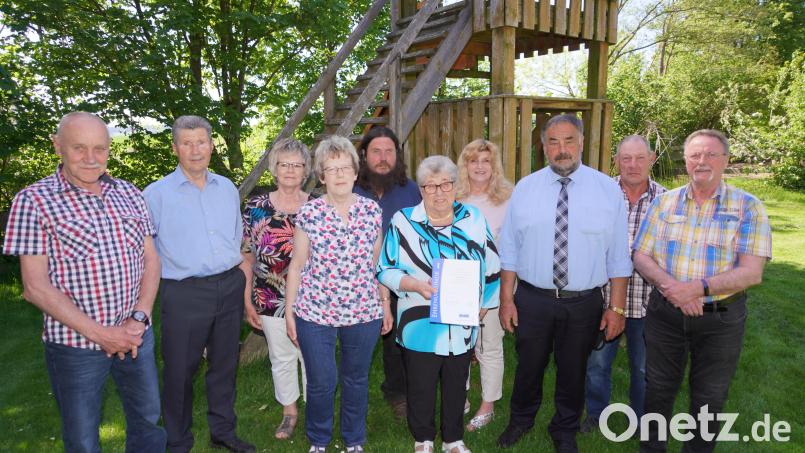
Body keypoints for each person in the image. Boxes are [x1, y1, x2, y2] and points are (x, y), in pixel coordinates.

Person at [3, 111, 167, 453]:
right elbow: (34, 287)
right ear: (58, 146)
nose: (91, 159)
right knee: (82, 438)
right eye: (79, 148)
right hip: (75, 346)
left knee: (148, 420)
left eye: (100, 148)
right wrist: (103, 334)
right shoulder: (33, 202)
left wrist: (139, 319)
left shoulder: (129, 193)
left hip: (137, 335)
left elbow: (151, 260)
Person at [496, 114, 633, 453]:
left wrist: (616, 308)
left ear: (582, 142)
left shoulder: (607, 191)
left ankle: (565, 429)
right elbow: (510, 248)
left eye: (569, 140)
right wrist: (506, 300)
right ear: (543, 147)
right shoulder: (525, 189)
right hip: (533, 298)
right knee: (529, 365)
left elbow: (618, 254)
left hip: (583, 302)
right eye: (553, 142)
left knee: (573, 369)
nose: (561, 149)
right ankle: (521, 420)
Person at [632, 129, 772, 453]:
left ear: (726, 160)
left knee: (709, 395)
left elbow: (752, 272)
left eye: (710, 154)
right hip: (666, 312)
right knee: (658, 389)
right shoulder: (663, 203)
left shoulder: (748, 208)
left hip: (720, 317)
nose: (702, 161)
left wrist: (696, 290)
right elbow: (641, 254)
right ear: (685, 160)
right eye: (695, 155)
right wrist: (674, 291)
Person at [144, 115, 255, 453]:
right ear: (175, 147)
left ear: (211, 144)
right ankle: (177, 441)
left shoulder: (227, 189)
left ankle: (223, 431)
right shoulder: (155, 195)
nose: (195, 150)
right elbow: (145, 252)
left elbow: (234, 240)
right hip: (184, 293)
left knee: (224, 365)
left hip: (228, 286)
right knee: (180, 371)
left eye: (201, 142)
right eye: (187, 143)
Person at [378, 155, 501, 453]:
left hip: (461, 321)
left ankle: (453, 439)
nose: (438, 192)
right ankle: (423, 439)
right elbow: (386, 268)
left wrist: (483, 305)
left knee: (456, 382)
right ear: (420, 189)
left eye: (445, 184)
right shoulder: (403, 221)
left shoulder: (472, 218)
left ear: (455, 186)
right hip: (419, 320)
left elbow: (492, 262)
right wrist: (414, 285)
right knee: (420, 384)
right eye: (430, 186)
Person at [284, 135, 393, 453]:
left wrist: (385, 304)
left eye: (345, 167)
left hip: (363, 311)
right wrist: (290, 312)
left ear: (356, 172)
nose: (340, 174)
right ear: (321, 176)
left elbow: (379, 264)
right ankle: (318, 440)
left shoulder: (372, 212)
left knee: (356, 379)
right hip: (315, 312)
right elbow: (296, 266)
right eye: (332, 169)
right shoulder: (310, 213)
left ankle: (354, 439)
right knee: (321, 382)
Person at [580, 135, 666, 433]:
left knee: (645, 369)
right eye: (626, 158)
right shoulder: (599, 196)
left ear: (651, 159)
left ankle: (643, 421)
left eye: (639, 158)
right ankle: (596, 415)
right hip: (604, 300)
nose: (633, 165)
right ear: (616, 161)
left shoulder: (667, 201)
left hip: (650, 301)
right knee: (597, 364)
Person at [241, 138, 313, 440]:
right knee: (281, 356)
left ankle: (317, 411)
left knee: (311, 356)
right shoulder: (255, 208)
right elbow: (246, 255)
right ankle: (289, 412)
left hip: (313, 298)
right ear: (274, 168)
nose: (290, 170)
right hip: (268, 296)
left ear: (306, 170)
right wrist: (246, 301)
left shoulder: (318, 206)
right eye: (285, 164)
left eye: (297, 165)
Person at [353, 126, 421, 418]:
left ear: (397, 155)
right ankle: (352, 392)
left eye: (389, 151)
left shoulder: (412, 190)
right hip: (353, 280)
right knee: (355, 342)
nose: (383, 158)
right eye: (376, 151)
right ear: (365, 155)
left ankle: (399, 393)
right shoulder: (350, 187)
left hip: (398, 278)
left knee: (396, 340)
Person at [455, 139, 513, 432]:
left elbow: (513, 248)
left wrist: (503, 292)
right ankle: (460, 397)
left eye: (486, 161)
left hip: (494, 283)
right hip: (459, 283)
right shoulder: (453, 197)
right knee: (459, 346)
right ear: (465, 165)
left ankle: (487, 405)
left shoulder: (507, 198)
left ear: (494, 166)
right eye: (473, 160)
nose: (479, 166)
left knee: (489, 345)